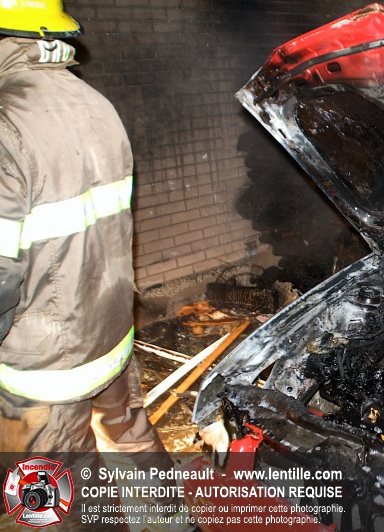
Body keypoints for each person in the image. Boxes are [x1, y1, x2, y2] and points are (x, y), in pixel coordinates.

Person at [0, 2, 187, 529]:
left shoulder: (5, 118)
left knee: (51, 494)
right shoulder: (95, 103)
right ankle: (174, 521)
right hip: (110, 332)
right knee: (129, 436)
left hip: (45, 363)